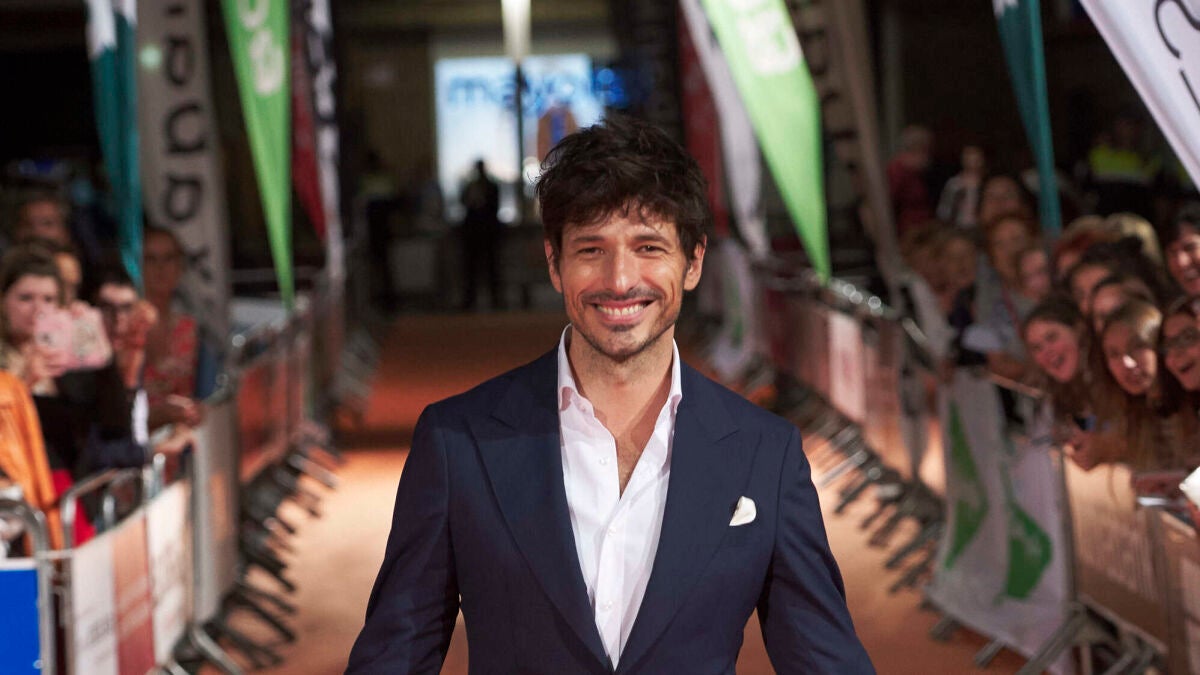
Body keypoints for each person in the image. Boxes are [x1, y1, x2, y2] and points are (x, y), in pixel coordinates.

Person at [347, 116, 874, 673]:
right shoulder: (458, 442)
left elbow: (828, 662)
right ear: (555, 264)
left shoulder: (765, 454)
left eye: (648, 247)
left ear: (693, 262)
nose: (620, 280)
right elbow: (394, 657)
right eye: (591, 250)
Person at [141, 228, 202, 433]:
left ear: (180, 266)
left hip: (177, 440)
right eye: (150, 259)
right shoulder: (126, 326)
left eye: (169, 258)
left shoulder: (188, 328)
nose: (160, 268)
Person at [459, 158, 505, 310]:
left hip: (487, 232)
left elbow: (494, 206)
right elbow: (463, 202)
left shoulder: (490, 186)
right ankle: (472, 300)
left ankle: (494, 300)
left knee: (491, 268)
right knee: (472, 269)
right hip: (474, 233)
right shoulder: (471, 186)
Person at [887, 125, 934, 239]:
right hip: (907, 232)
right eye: (925, 150)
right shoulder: (897, 170)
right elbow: (890, 202)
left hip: (922, 230)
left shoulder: (918, 172)